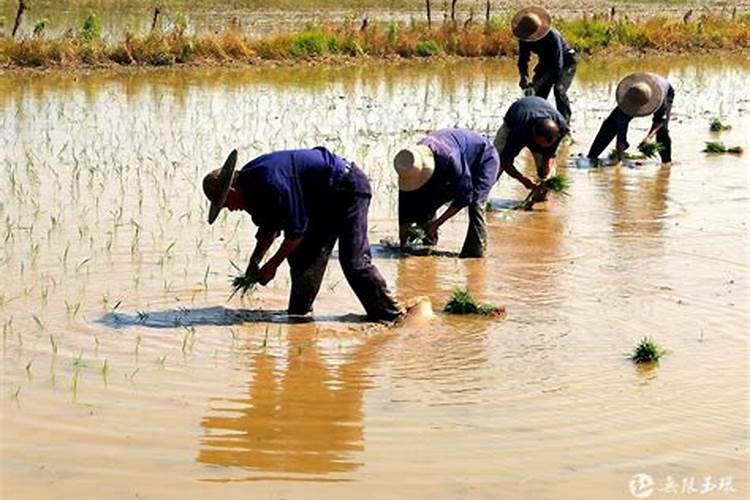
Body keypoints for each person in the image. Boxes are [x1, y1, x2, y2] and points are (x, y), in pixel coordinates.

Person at [202, 147, 404, 322]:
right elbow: (268, 228)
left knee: (353, 261)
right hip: (322, 199)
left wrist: (272, 265)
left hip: (347, 186)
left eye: (225, 202)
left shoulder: (268, 182)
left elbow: (296, 232)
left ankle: (392, 315)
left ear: (232, 190)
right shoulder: (250, 187)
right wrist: (254, 262)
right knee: (304, 257)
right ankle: (299, 315)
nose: (228, 208)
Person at [394, 128, 499, 258]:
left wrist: (437, 223)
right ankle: (429, 241)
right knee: (426, 196)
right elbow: (404, 206)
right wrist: (403, 241)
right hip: (455, 161)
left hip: (484, 158)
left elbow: (464, 195)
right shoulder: (409, 166)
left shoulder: (449, 158)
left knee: (476, 203)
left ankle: (475, 253)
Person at [587, 73, 675, 166]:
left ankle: (666, 162)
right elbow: (621, 130)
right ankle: (592, 156)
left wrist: (648, 137)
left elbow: (660, 120)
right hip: (638, 88)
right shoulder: (629, 98)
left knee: (662, 131)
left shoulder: (660, 99)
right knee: (611, 123)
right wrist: (619, 158)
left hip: (665, 89)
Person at [493, 96, 569, 198]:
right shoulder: (518, 131)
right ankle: (480, 196)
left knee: (546, 172)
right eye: (541, 145)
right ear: (534, 137)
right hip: (515, 117)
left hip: (539, 111)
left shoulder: (561, 128)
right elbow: (506, 162)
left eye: (547, 146)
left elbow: (549, 156)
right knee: (494, 163)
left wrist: (546, 170)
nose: (542, 149)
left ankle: (541, 195)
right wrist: (522, 179)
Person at [512, 6, 577, 123]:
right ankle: (538, 122)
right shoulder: (524, 37)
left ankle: (564, 124)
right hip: (546, 62)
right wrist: (523, 77)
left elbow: (557, 66)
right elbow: (523, 59)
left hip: (566, 63)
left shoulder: (553, 36)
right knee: (538, 95)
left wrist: (539, 82)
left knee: (559, 90)